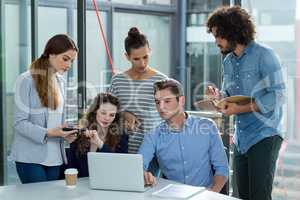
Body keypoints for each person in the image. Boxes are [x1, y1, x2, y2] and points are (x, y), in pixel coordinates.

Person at [206, 6, 285, 200]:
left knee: (259, 196)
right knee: (240, 196)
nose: (216, 41)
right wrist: (217, 96)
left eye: (219, 36)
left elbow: (278, 96)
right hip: (241, 139)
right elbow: (229, 94)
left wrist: (240, 108)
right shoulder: (228, 62)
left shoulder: (265, 55)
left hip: (265, 135)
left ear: (232, 32)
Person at [138, 78, 229, 192]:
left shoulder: (207, 127)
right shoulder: (153, 135)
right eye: (157, 102)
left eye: (167, 101)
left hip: (206, 194)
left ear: (181, 100)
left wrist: (212, 195)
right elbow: (138, 166)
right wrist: (142, 174)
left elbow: (222, 169)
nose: (161, 107)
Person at [10, 34, 78, 183]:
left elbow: (55, 120)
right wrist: (48, 133)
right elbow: (19, 123)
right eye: (65, 59)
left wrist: (65, 132)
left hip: (55, 158)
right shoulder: (26, 80)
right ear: (50, 54)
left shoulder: (61, 81)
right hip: (30, 157)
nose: (69, 65)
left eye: (72, 61)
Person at [109, 27, 167, 154]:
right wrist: (123, 114)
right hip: (122, 148)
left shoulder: (161, 81)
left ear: (150, 51)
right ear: (127, 56)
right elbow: (107, 113)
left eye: (145, 57)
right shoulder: (117, 81)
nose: (142, 63)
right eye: (136, 59)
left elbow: (169, 116)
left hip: (154, 151)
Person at [67, 93, 129, 177]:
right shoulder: (81, 131)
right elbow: (72, 168)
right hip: (82, 183)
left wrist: (100, 144)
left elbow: (120, 165)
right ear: (95, 111)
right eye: (103, 113)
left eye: (112, 115)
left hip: (110, 182)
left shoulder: (121, 134)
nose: (107, 118)